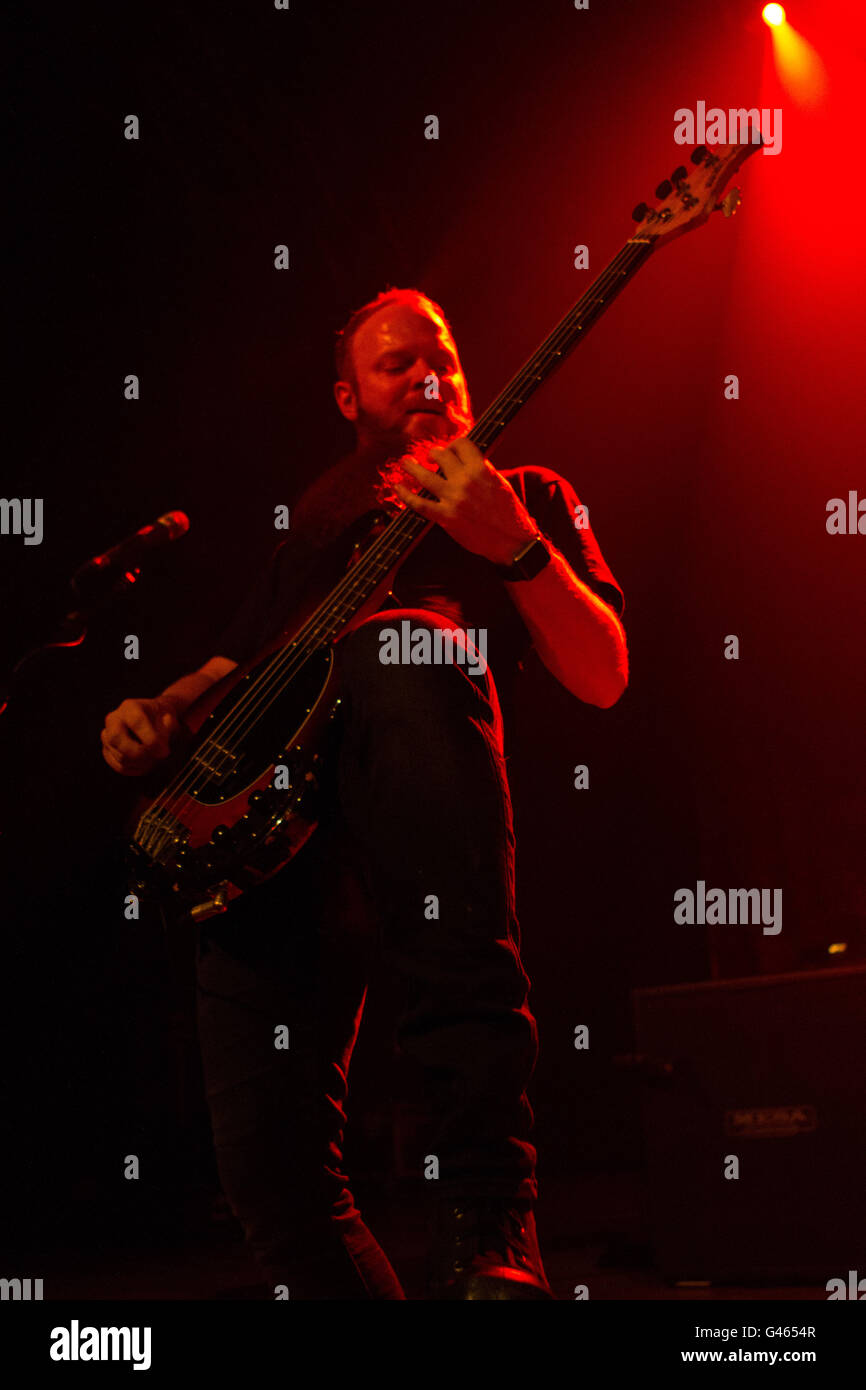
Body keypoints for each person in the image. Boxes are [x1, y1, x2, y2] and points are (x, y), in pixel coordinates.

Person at [100, 287, 628, 1299]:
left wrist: (510, 543)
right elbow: (232, 662)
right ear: (346, 397)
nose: (428, 375)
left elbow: (604, 671)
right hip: (270, 834)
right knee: (273, 1180)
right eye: (396, 364)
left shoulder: (529, 491)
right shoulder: (319, 517)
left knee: (405, 647)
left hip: (421, 805)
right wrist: (160, 712)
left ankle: (487, 1212)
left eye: (444, 358)